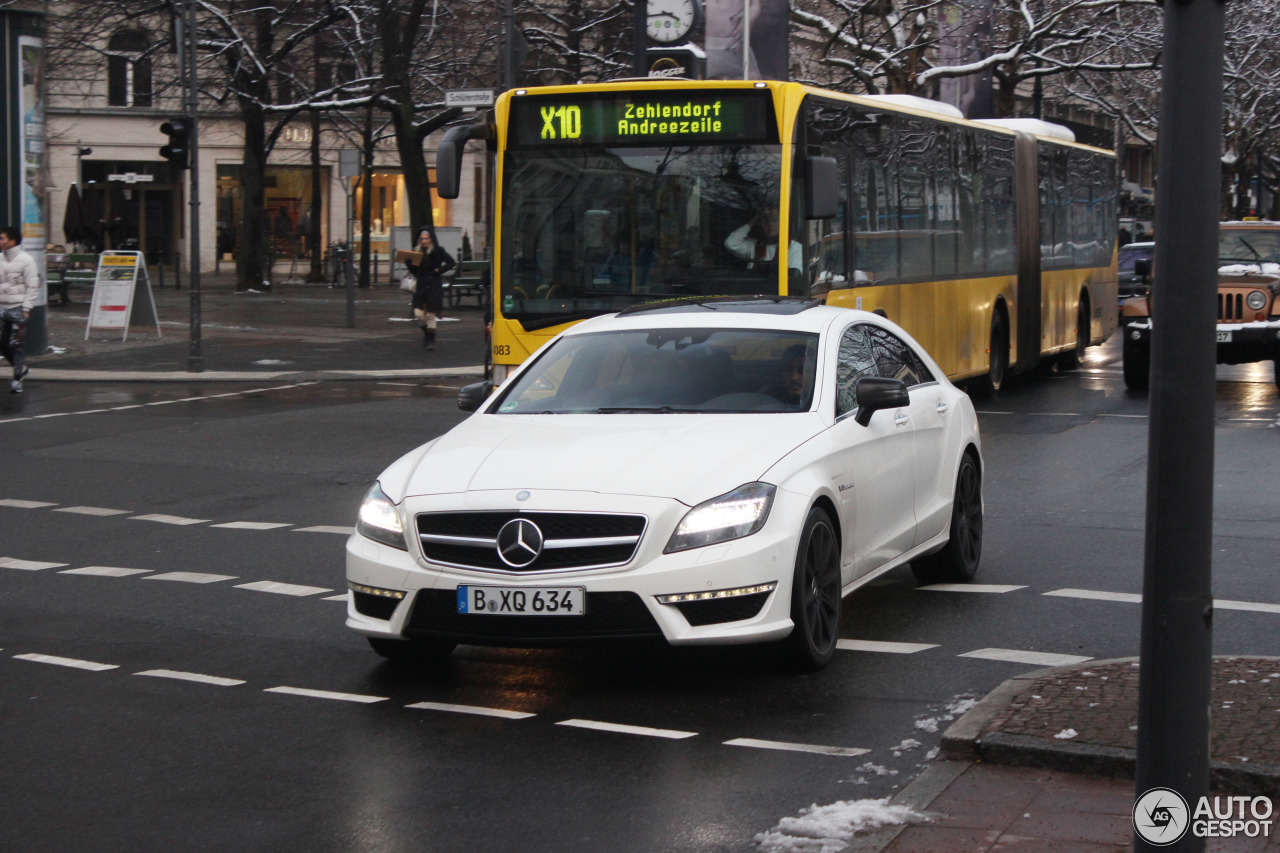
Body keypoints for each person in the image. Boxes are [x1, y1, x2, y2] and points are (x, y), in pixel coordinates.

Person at [0, 226, 40, 393]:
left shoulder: (26, 260)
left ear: (12, 241)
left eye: (3, 238)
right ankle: (21, 368)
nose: (0, 241)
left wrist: (27, 307)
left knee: (16, 344)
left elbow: (33, 285)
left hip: (17, 307)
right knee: (3, 345)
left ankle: (18, 377)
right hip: (2, 307)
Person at [404, 228, 455, 350]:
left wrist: (439, 271)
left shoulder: (438, 251)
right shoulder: (416, 252)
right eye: (422, 239)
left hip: (433, 285)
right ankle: (427, 334)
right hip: (420, 285)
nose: (424, 241)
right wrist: (408, 263)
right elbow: (414, 270)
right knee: (419, 314)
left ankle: (430, 340)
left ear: (431, 239)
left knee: (430, 315)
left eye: (426, 238)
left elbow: (451, 262)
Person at [724, 209, 802, 273]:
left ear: (783, 222)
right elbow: (730, 244)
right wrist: (752, 223)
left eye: (774, 220)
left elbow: (794, 276)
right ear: (760, 223)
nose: (770, 224)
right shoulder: (754, 246)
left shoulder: (794, 248)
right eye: (766, 220)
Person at [762, 343, 812, 409]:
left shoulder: (827, 400)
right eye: (788, 370)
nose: (794, 377)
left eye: (802, 371)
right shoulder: (768, 399)